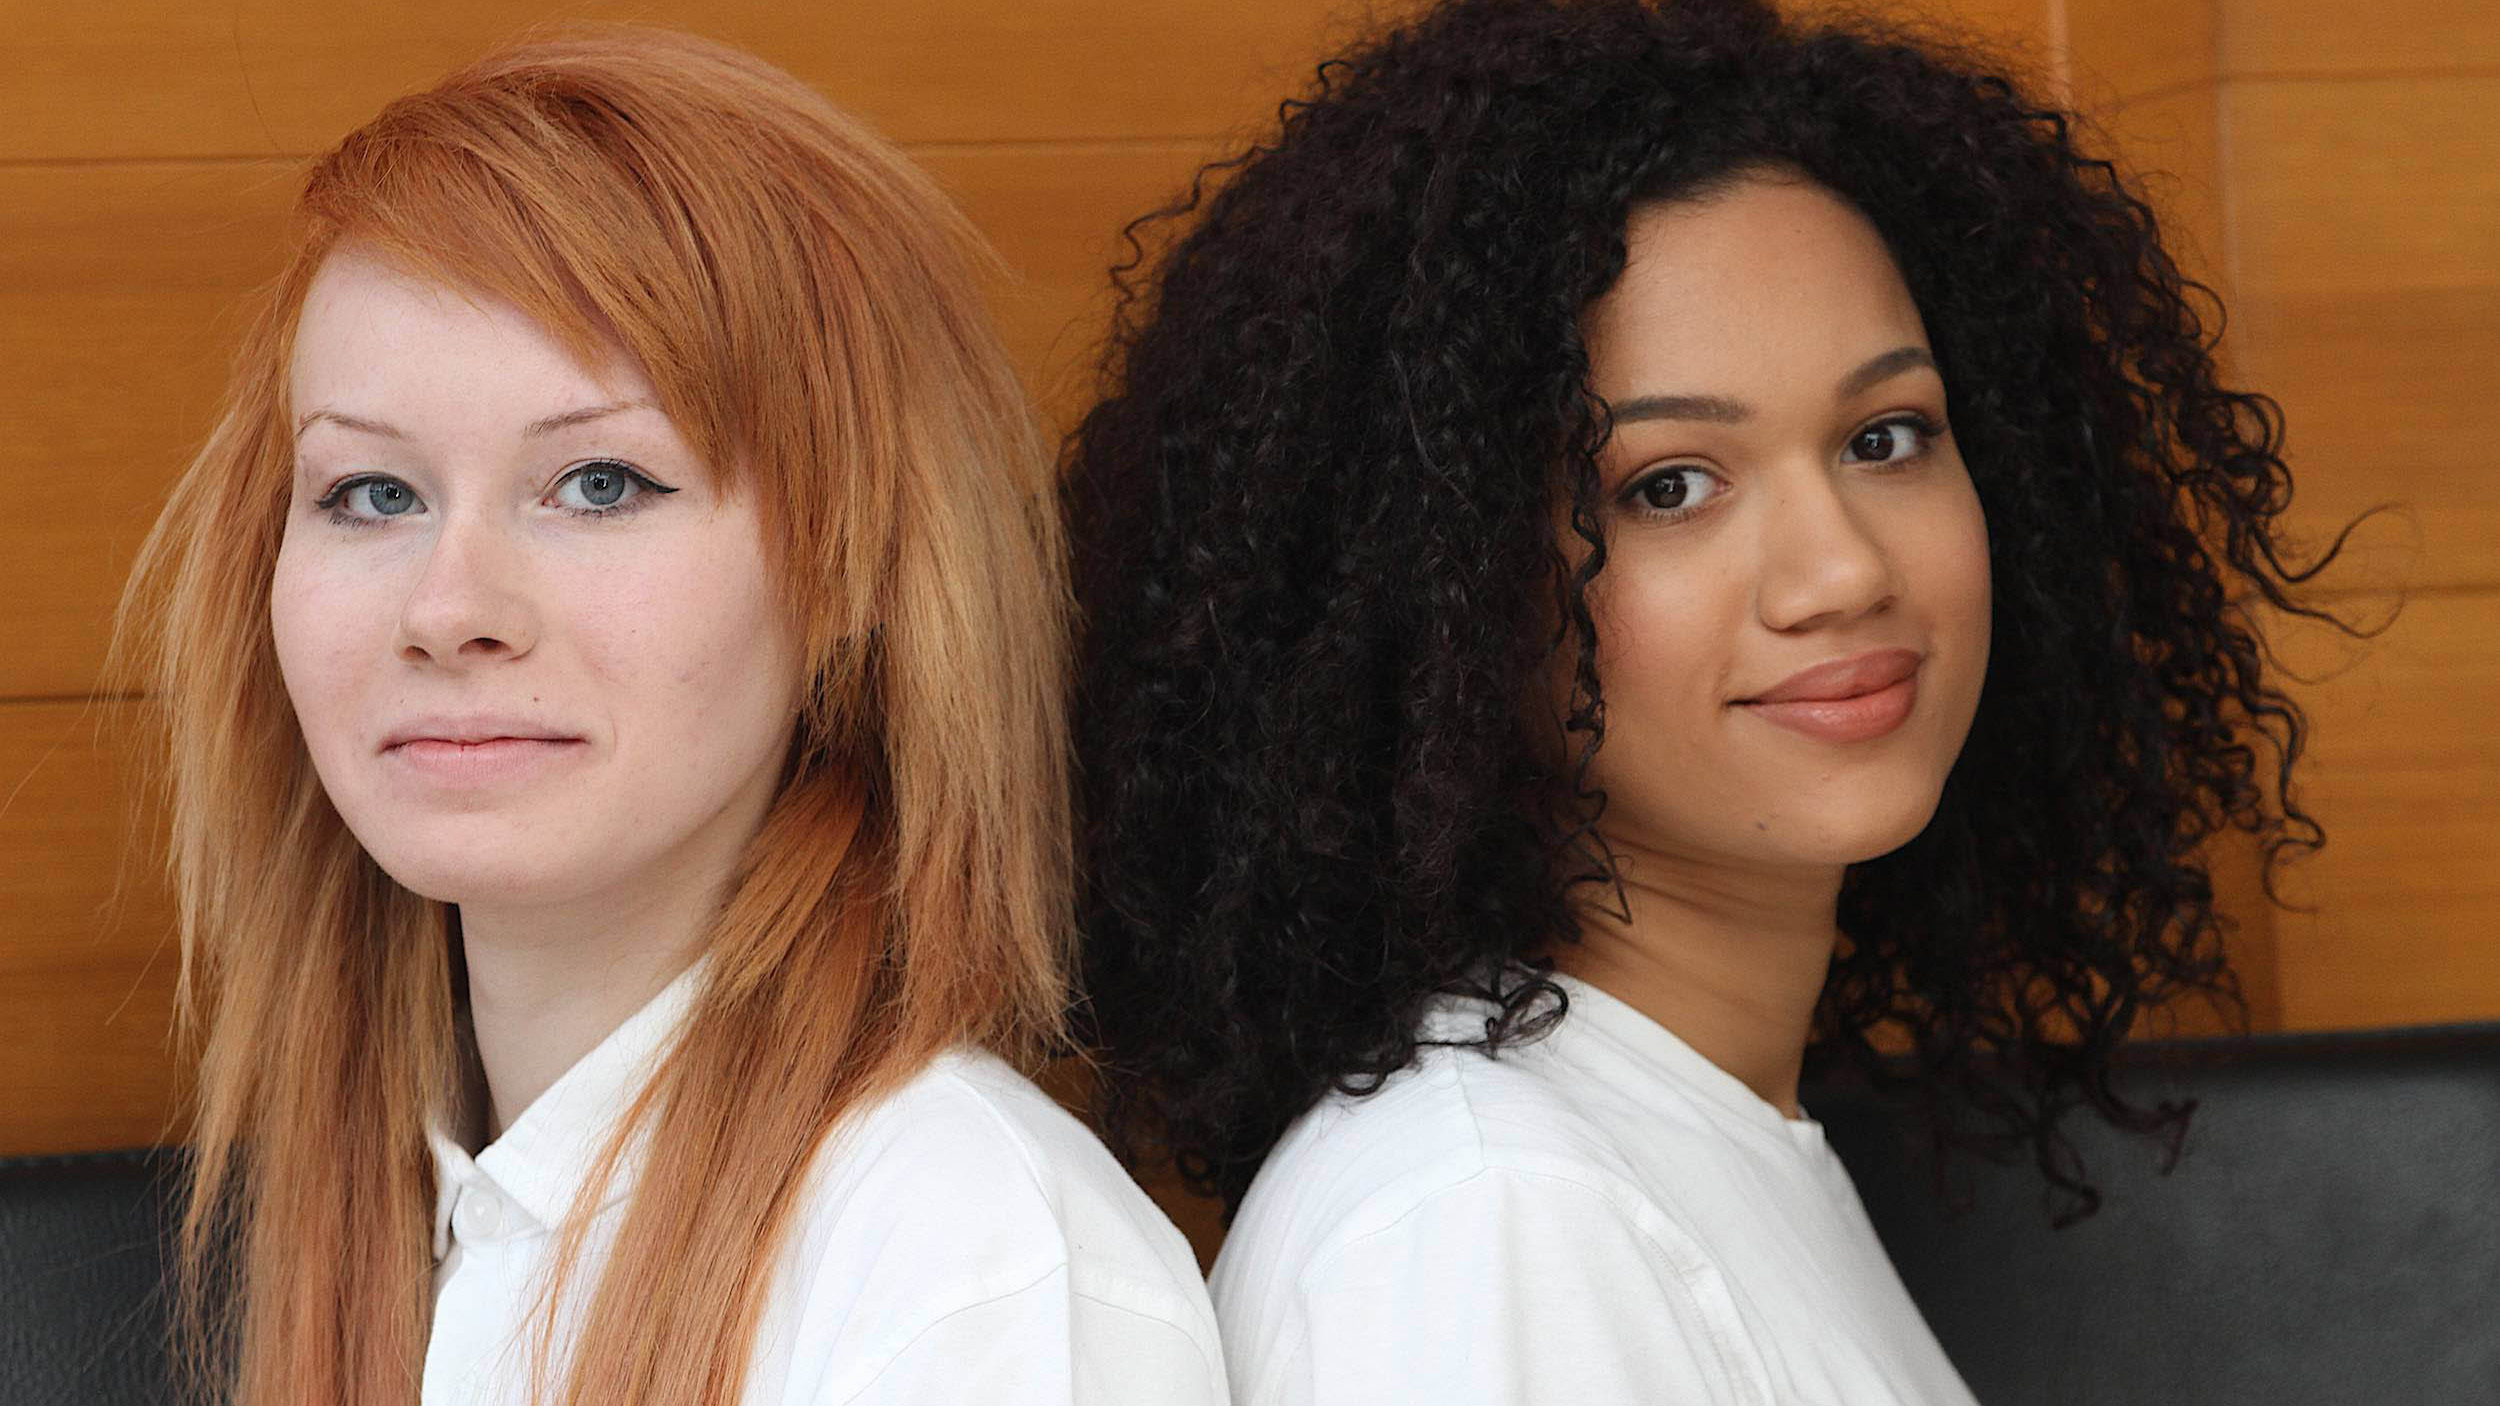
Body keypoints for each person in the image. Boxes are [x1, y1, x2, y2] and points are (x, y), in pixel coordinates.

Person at [1064, 1, 2344, 1401]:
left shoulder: (1676, 1138)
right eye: (1667, 485)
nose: (1842, 567)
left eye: (1885, 436)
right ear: (1439, 587)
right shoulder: (1493, 1218)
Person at [117, 27, 1224, 1406]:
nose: (448, 605)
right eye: (372, 494)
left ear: (851, 571)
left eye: (599, 484)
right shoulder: (419, 1206)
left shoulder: (964, 1267)